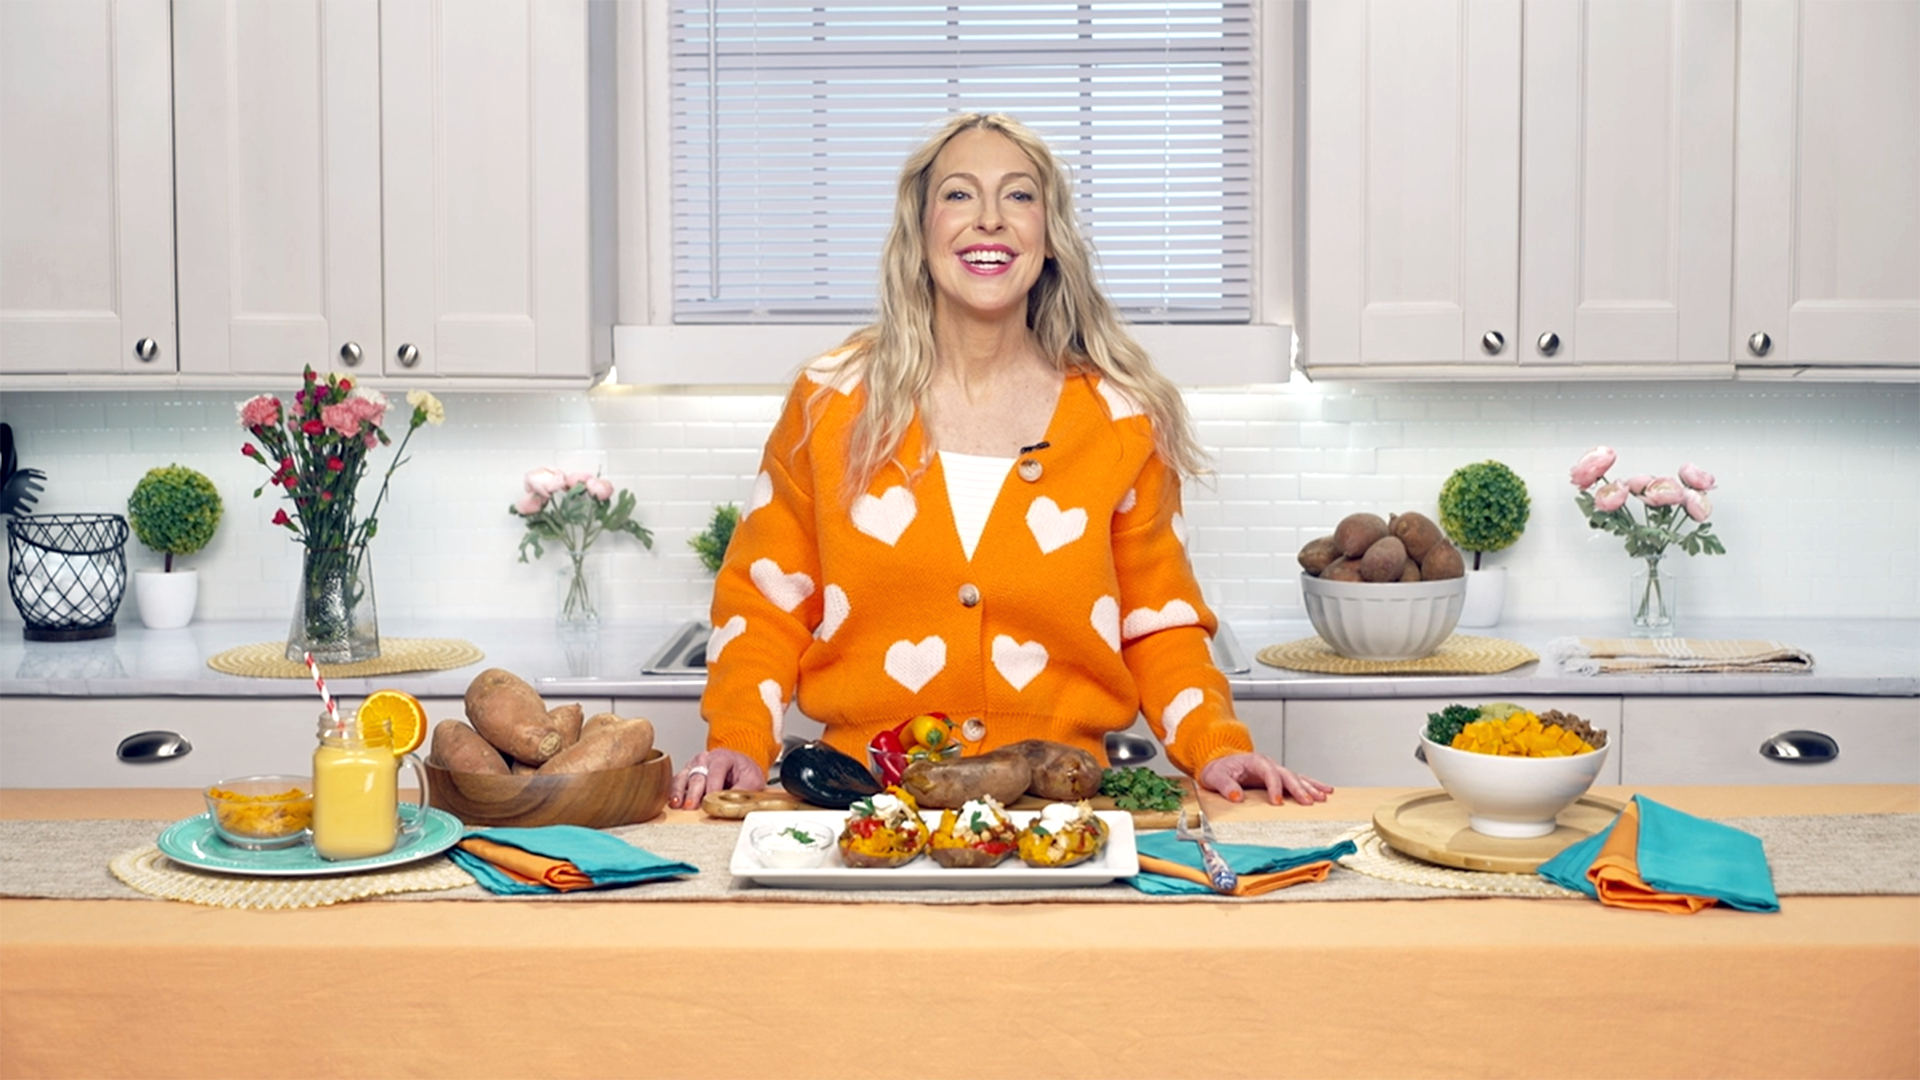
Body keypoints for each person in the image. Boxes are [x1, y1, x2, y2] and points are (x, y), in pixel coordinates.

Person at [669, 112, 1332, 811]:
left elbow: (1158, 622)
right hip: (864, 804)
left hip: (1063, 808)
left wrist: (1218, 745)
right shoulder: (831, 402)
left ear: (1048, 237)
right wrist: (738, 738)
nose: (989, 218)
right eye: (958, 195)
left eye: (1018, 196)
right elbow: (764, 602)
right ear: (918, 232)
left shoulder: (1119, 418)